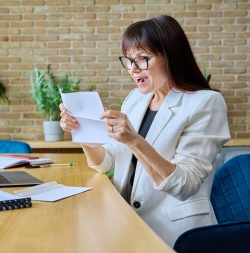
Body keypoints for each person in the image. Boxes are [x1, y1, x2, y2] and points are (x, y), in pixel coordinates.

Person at [59, 15, 230, 247]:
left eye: (142, 58)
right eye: (129, 60)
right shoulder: (136, 99)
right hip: (124, 221)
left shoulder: (206, 103)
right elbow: (107, 163)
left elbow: (184, 185)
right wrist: (84, 133)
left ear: (171, 56)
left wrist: (134, 141)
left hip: (175, 234)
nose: (133, 68)